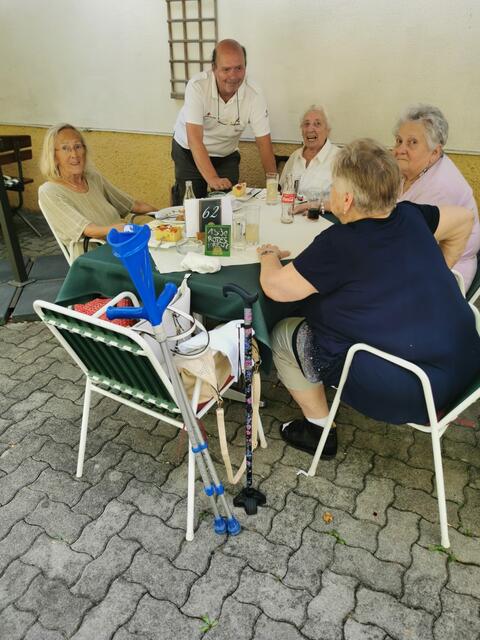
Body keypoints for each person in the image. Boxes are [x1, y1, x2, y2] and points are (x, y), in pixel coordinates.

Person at [257, 138, 480, 458]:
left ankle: (318, 431)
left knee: (282, 333)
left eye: (333, 185)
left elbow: (276, 288)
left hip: (418, 391)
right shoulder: (410, 215)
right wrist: (433, 274)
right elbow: (463, 220)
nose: (330, 191)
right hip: (465, 366)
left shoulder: (339, 243)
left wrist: (268, 255)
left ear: (346, 200)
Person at [171, 38, 277, 204]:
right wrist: (213, 178)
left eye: (239, 68)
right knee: (191, 207)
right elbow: (195, 140)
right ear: (214, 68)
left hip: (226, 154)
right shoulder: (197, 86)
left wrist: (273, 186)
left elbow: (264, 143)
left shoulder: (254, 93)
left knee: (229, 207)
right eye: (226, 69)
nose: (233, 76)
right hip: (189, 151)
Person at [393, 104, 480, 290]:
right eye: (399, 141)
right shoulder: (406, 171)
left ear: (434, 152)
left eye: (412, 142)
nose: (400, 149)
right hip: (408, 260)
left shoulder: (441, 187)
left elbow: (414, 249)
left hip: (444, 273)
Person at [39, 123, 157, 259]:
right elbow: (89, 230)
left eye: (78, 146)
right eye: (65, 148)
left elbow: (133, 205)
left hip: (124, 243)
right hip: (96, 257)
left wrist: (165, 216)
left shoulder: (93, 178)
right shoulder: (50, 191)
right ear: (54, 156)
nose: (74, 154)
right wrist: (121, 229)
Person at [279, 105, 340, 200]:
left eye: (317, 124)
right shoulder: (295, 156)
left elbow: (346, 203)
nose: (310, 129)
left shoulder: (340, 159)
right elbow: (282, 190)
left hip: (322, 214)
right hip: (290, 212)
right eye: (306, 124)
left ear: (328, 130)